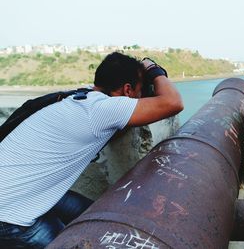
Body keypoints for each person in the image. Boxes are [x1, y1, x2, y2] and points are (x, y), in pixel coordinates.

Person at [0, 52, 184, 248]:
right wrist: (153, 69)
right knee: (75, 242)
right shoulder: (104, 110)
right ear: (127, 89)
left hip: (24, 190)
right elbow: (173, 102)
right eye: (139, 91)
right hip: (9, 213)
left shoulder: (83, 96)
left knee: (98, 215)